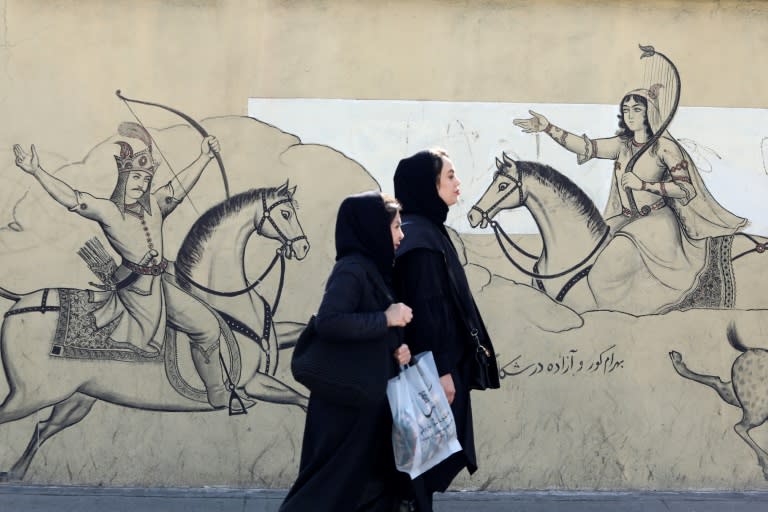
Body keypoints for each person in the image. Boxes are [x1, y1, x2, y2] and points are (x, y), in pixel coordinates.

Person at [12, 122, 238, 409]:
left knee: (206, 326)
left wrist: (204, 156)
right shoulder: (108, 210)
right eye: (135, 178)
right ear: (123, 177)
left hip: (161, 284)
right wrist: (36, 171)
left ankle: (216, 391)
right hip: (135, 294)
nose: (140, 184)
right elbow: (72, 198)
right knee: (152, 338)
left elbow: (179, 186)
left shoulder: (157, 204)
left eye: (145, 180)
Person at [512, 88, 747, 313]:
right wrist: (547, 128)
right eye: (626, 110)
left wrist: (644, 185)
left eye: (636, 109)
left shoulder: (664, 148)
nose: (630, 115)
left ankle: (626, 317)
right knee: (587, 252)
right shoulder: (622, 144)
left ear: (649, 113)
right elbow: (586, 146)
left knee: (607, 268)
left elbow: (685, 190)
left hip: (656, 223)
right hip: (625, 219)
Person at [280, 191, 413, 512]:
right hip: (344, 409)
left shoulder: (372, 269)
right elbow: (330, 321)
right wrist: (386, 318)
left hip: (365, 402)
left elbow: (366, 331)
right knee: (327, 489)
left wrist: (396, 348)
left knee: (367, 489)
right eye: (395, 227)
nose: (401, 235)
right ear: (373, 229)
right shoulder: (352, 270)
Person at [392, 149, 499, 512]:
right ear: (429, 184)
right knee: (420, 465)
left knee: (424, 461)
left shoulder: (425, 231)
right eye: (450, 176)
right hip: (431, 374)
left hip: (434, 369)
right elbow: (427, 310)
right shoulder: (420, 239)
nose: (458, 184)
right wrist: (441, 374)